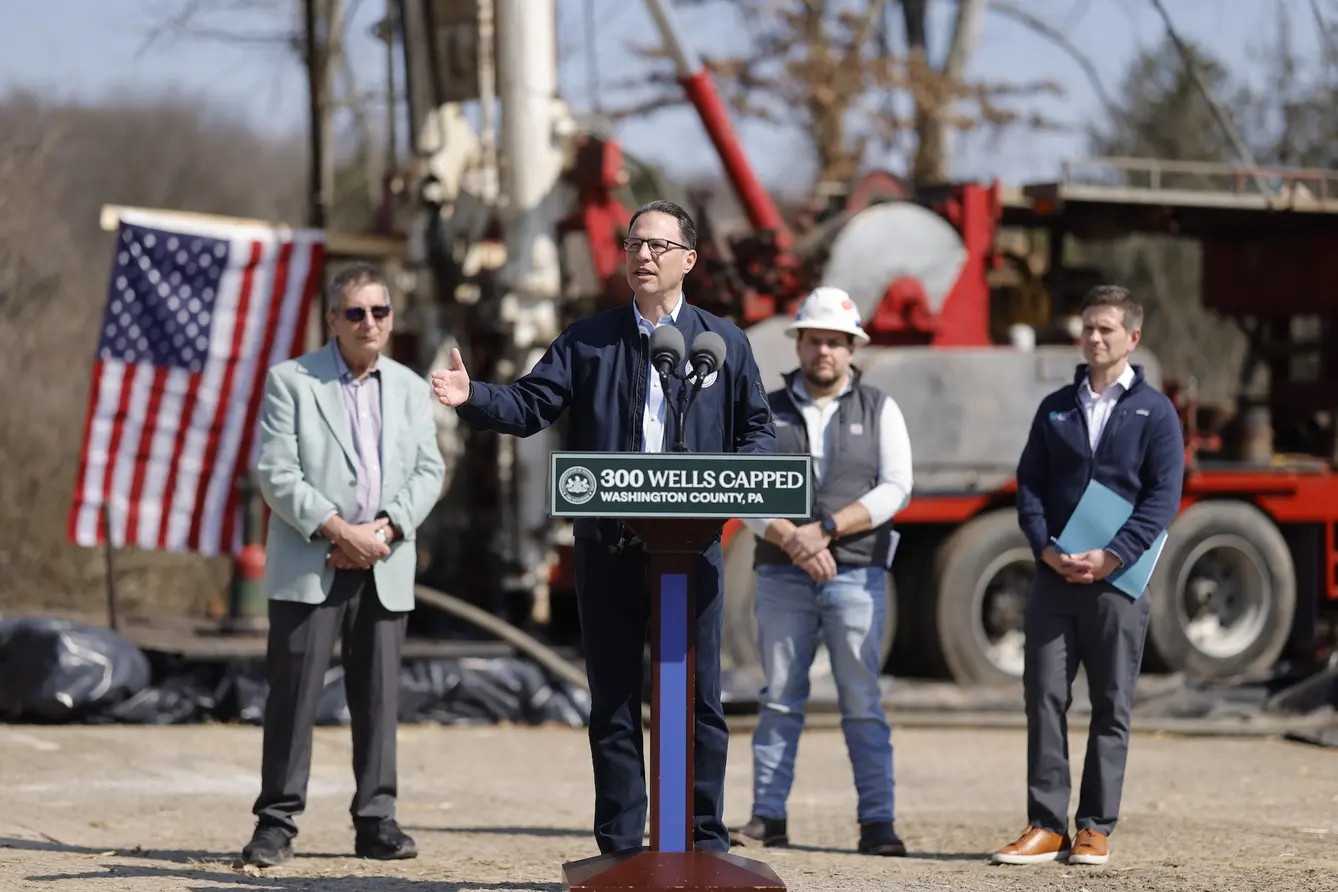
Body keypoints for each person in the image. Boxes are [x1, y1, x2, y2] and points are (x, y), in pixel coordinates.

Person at [430, 199, 776, 855]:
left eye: (658, 246)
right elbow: (531, 405)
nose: (643, 256)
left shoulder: (722, 344)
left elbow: (756, 432)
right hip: (610, 544)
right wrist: (472, 396)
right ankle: (620, 845)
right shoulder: (588, 339)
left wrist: (737, 476)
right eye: (633, 244)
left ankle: (703, 838)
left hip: (691, 544)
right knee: (615, 699)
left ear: (689, 261)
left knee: (699, 696)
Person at [240, 263, 446, 867]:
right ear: (332, 319)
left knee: (380, 699)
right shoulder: (291, 382)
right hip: (313, 560)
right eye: (355, 312)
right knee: (293, 697)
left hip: (384, 560)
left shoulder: (410, 387)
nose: (369, 322)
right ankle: (276, 823)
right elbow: (277, 473)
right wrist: (338, 529)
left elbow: (429, 470)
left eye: (379, 311)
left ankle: (376, 820)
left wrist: (383, 530)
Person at [992, 285, 1184, 867]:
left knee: (1111, 704)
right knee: (1045, 697)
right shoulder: (1055, 406)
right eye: (1088, 327)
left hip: (1117, 584)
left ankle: (1095, 827)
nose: (1095, 337)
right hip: (1054, 580)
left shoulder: (1156, 412)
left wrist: (1113, 556)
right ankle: (1046, 827)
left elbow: (1163, 497)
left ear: (1133, 337)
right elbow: (1028, 484)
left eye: (1106, 328)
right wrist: (1045, 548)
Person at [728, 287, 913, 857]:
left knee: (862, 700)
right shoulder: (766, 408)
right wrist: (792, 538)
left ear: (852, 347)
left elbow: (896, 488)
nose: (824, 351)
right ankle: (767, 817)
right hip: (781, 575)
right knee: (780, 697)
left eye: (835, 341)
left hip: (856, 574)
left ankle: (877, 823)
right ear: (800, 344)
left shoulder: (879, 408)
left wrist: (825, 531)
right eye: (815, 340)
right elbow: (744, 486)